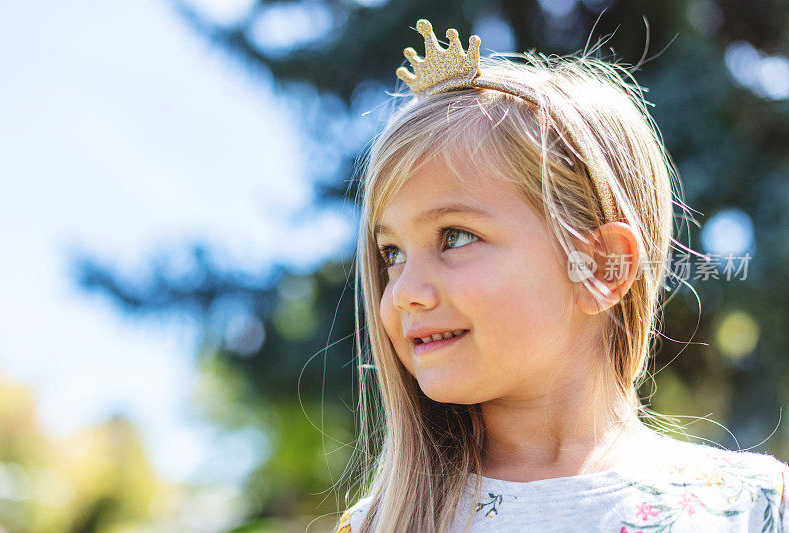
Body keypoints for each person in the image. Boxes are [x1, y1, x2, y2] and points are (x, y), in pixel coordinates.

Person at [334, 18, 789, 533]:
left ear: (599, 267)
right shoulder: (380, 524)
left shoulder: (751, 507)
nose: (403, 295)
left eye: (454, 236)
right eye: (391, 253)